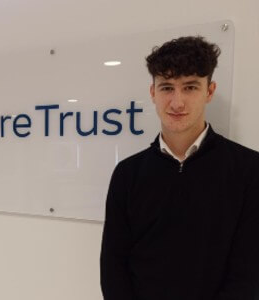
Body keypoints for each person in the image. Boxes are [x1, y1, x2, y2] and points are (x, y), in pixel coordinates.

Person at [100, 36, 259, 300]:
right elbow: (113, 266)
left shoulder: (250, 170)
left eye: (190, 87)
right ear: (153, 93)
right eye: (166, 88)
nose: (177, 102)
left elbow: (248, 273)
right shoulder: (127, 174)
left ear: (210, 91)